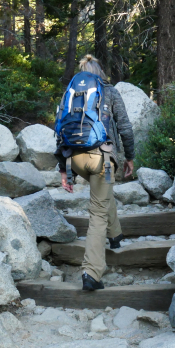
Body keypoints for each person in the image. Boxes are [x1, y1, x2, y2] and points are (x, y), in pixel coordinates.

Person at [54, 55, 135, 291]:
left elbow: (58, 129)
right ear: (100, 72)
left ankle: (116, 236)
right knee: (98, 212)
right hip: (103, 160)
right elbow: (125, 128)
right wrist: (129, 157)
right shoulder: (109, 91)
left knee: (102, 195)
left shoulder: (70, 93)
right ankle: (91, 272)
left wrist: (63, 170)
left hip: (75, 159)